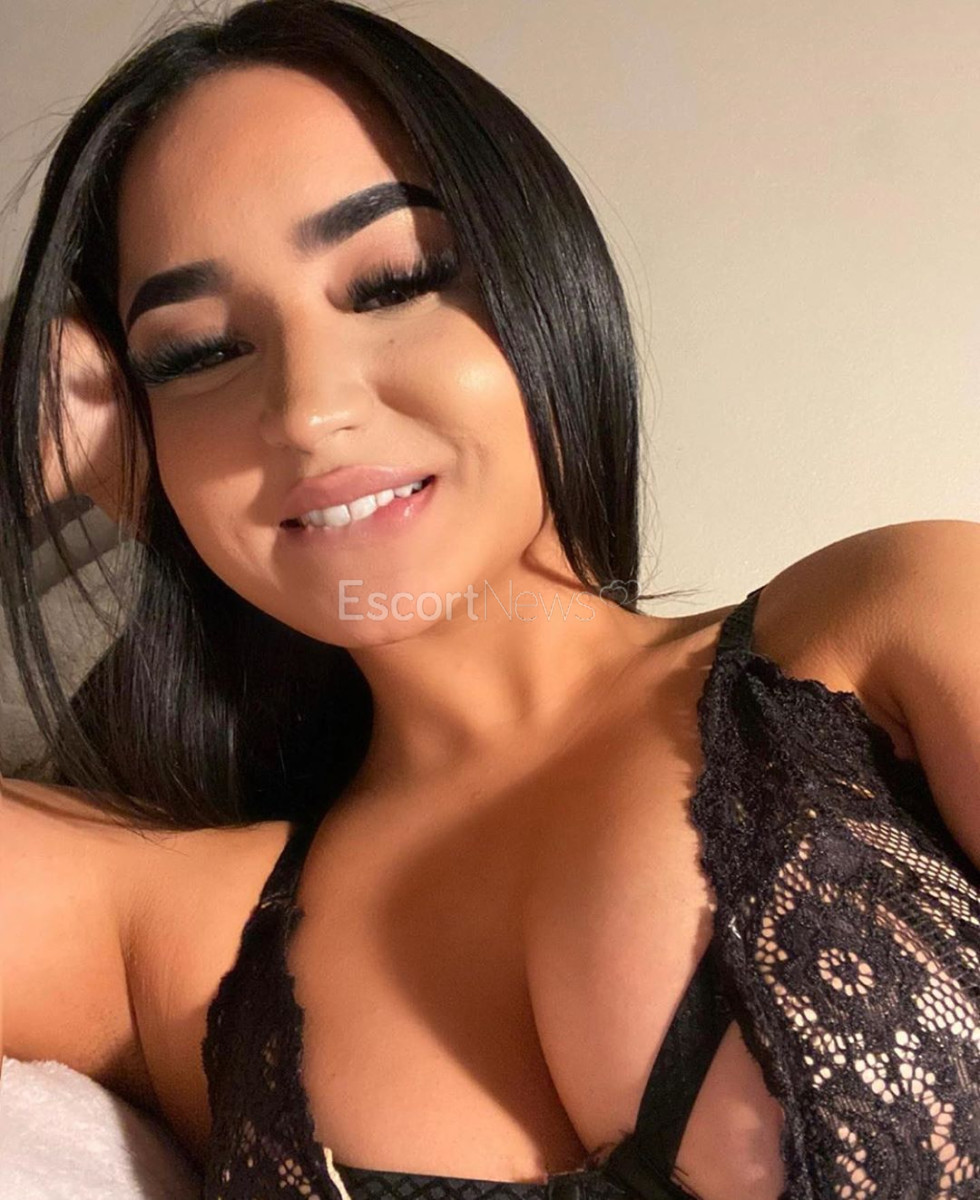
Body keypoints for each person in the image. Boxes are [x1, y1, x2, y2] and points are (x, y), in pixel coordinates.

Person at [1, 3, 979, 1199]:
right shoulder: (175, 937)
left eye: (392, 281)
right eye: (198, 353)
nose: (307, 410)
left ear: (538, 277)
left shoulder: (884, 621)